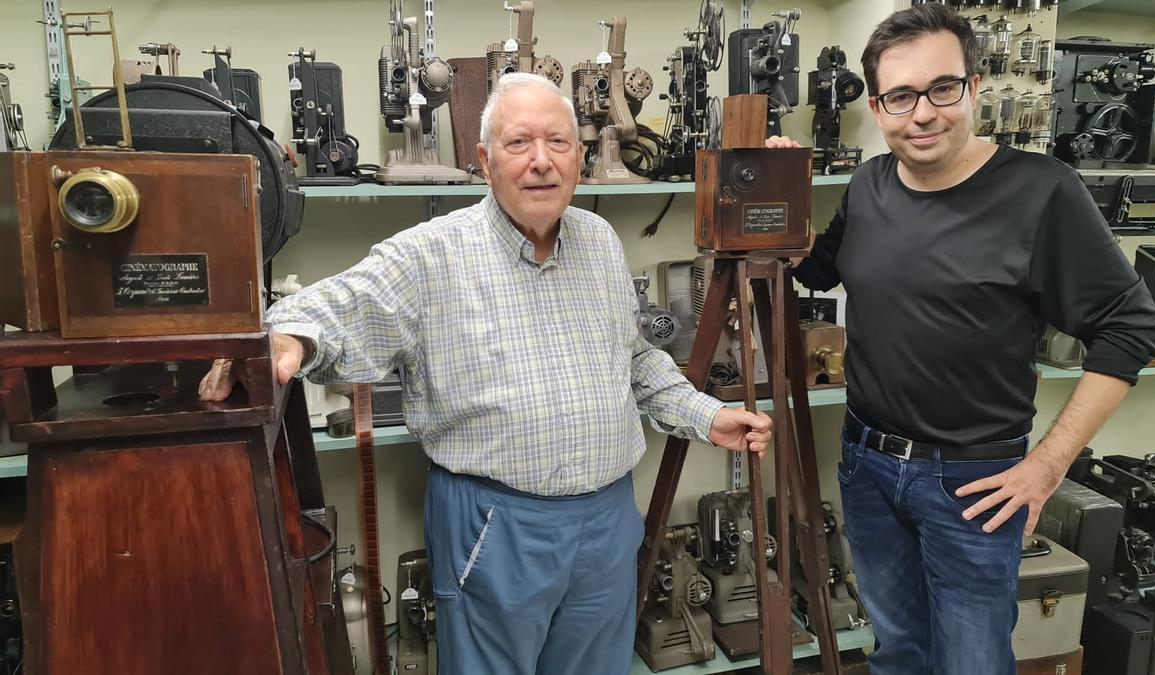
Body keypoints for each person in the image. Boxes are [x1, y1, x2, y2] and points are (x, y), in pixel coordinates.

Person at [198, 72, 772, 675]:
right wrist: (284, 338)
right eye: (519, 143)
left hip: (606, 521)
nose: (541, 163)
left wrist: (708, 415)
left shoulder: (599, 241)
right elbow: (337, 305)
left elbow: (633, 359)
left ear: (579, 155)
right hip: (495, 526)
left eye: (558, 142)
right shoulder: (433, 252)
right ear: (483, 159)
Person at [767, 5, 1155, 674]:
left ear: (974, 88)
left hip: (974, 481)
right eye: (900, 96)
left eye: (941, 89)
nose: (922, 113)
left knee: (972, 662)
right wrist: (777, 195)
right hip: (867, 464)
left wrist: (1048, 464)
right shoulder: (869, 183)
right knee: (896, 652)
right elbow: (816, 267)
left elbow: (1132, 326)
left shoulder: (1042, 193)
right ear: (878, 105)